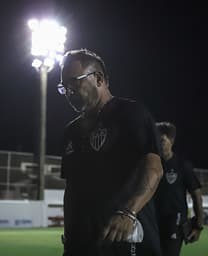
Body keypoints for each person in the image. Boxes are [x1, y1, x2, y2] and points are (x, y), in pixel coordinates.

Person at [57, 48, 163, 256]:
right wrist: (70, 233)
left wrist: (128, 212)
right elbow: (71, 189)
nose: (69, 91)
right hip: (82, 245)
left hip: (125, 241)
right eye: (64, 87)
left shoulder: (130, 114)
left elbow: (154, 168)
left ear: (98, 79)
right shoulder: (71, 131)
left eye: (74, 82)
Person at [155, 122, 203, 256]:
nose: (159, 143)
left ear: (172, 140)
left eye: (162, 140)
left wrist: (198, 226)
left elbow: (197, 196)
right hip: (153, 222)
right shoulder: (151, 165)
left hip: (174, 223)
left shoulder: (182, 165)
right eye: (156, 139)